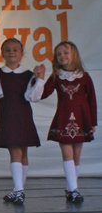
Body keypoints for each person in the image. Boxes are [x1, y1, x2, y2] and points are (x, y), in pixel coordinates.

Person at [0, 38, 45, 204]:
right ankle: (18, 190)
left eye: (15, 49)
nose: (11, 52)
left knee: (23, 152)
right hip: (8, 114)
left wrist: (40, 78)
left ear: (21, 53)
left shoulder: (28, 75)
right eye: (7, 50)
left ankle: (19, 190)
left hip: (24, 114)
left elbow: (33, 96)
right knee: (15, 151)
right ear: (2, 53)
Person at [41, 41, 97, 203]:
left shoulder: (85, 77)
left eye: (65, 52)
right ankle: (73, 190)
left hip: (82, 120)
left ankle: (71, 187)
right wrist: (37, 79)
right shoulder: (56, 77)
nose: (62, 56)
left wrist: (92, 123)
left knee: (77, 156)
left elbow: (92, 100)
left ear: (74, 55)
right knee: (67, 154)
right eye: (58, 54)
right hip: (64, 119)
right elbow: (43, 93)